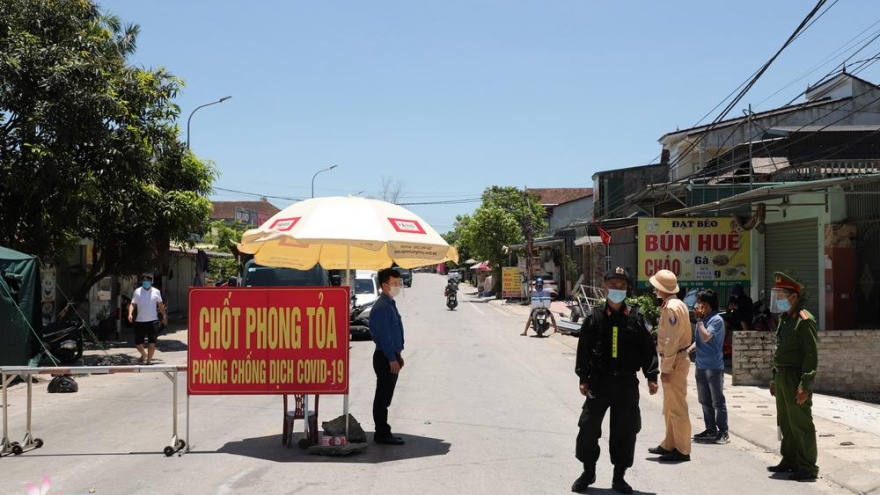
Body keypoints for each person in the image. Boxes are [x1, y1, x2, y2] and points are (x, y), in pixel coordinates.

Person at [572, 267, 659, 494]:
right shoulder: (594, 317)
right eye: (613, 285)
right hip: (599, 382)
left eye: (622, 286)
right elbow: (584, 349)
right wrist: (583, 377)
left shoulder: (636, 318)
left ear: (627, 289)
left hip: (626, 383)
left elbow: (648, 349)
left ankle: (619, 476)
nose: (617, 289)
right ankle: (588, 471)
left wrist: (652, 376)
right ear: (605, 286)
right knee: (588, 427)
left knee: (625, 431)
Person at [767, 272, 819, 481]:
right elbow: (779, 351)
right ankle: (789, 459)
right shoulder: (785, 320)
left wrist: (805, 384)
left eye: (780, 295)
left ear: (793, 297)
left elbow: (810, 356)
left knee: (800, 423)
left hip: (795, 377)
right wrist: (774, 377)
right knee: (784, 422)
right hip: (782, 376)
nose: (778, 299)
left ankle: (807, 466)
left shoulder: (804, 321)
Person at [646, 269, 692, 462]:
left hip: (674, 360)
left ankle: (682, 449)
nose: (654, 289)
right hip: (676, 358)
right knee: (670, 406)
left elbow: (672, 340)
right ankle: (669, 443)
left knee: (677, 407)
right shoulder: (677, 304)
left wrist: (665, 368)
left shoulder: (671, 308)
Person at [687, 289, 729, 445]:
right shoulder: (704, 320)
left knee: (717, 401)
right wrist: (690, 348)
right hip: (700, 365)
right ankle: (710, 429)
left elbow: (706, 337)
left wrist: (698, 320)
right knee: (704, 400)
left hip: (713, 366)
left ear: (708, 304)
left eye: (701, 304)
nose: (698, 307)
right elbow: (700, 340)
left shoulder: (716, 320)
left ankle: (723, 432)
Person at [370, 267, 406, 445]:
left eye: (399, 283)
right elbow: (385, 337)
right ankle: (382, 433)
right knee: (382, 398)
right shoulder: (382, 307)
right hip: (385, 357)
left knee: (385, 396)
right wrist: (392, 359)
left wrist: (398, 355)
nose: (398, 286)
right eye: (394, 283)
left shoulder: (389, 303)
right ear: (385, 285)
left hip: (390, 355)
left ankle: (383, 431)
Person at [128, 274, 167, 365]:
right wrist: (130, 313)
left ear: (151, 282)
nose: (146, 282)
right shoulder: (137, 291)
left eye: (148, 281)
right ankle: (143, 354)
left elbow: (160, 305)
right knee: (138, 343)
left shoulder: (156, 291)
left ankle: (149, 361)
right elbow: (133, 304)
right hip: (140, 321)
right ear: (142, 281)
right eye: (145, 281)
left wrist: (164, 316)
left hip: (153, 321)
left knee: (152, 342)